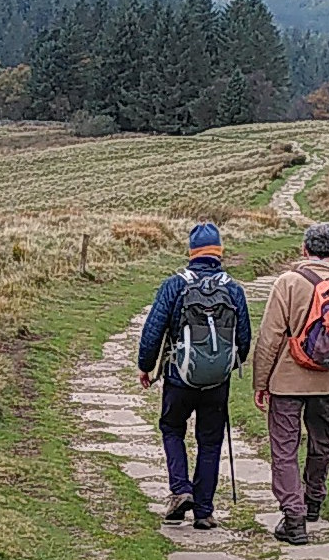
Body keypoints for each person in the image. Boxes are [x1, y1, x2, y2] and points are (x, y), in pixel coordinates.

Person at [250, 222, 329, 546]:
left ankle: (294, 517)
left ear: (304, 249)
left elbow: (270, 337)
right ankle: (314, 502)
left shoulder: (288, 282)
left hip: (288, 381)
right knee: (321, 443)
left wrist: (261, 382)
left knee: (285, 450)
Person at [137, 222, 252, 530]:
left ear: (191, 252)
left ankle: (180, 490)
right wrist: (224, 364)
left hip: (178, 377)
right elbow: (244, 340)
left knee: (172, 428)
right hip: (217, 383)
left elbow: (153, 331)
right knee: (210, 442)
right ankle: (203, 511)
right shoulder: (233, 288)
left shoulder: (174, 285)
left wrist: (145, 366)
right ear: (219, 251)